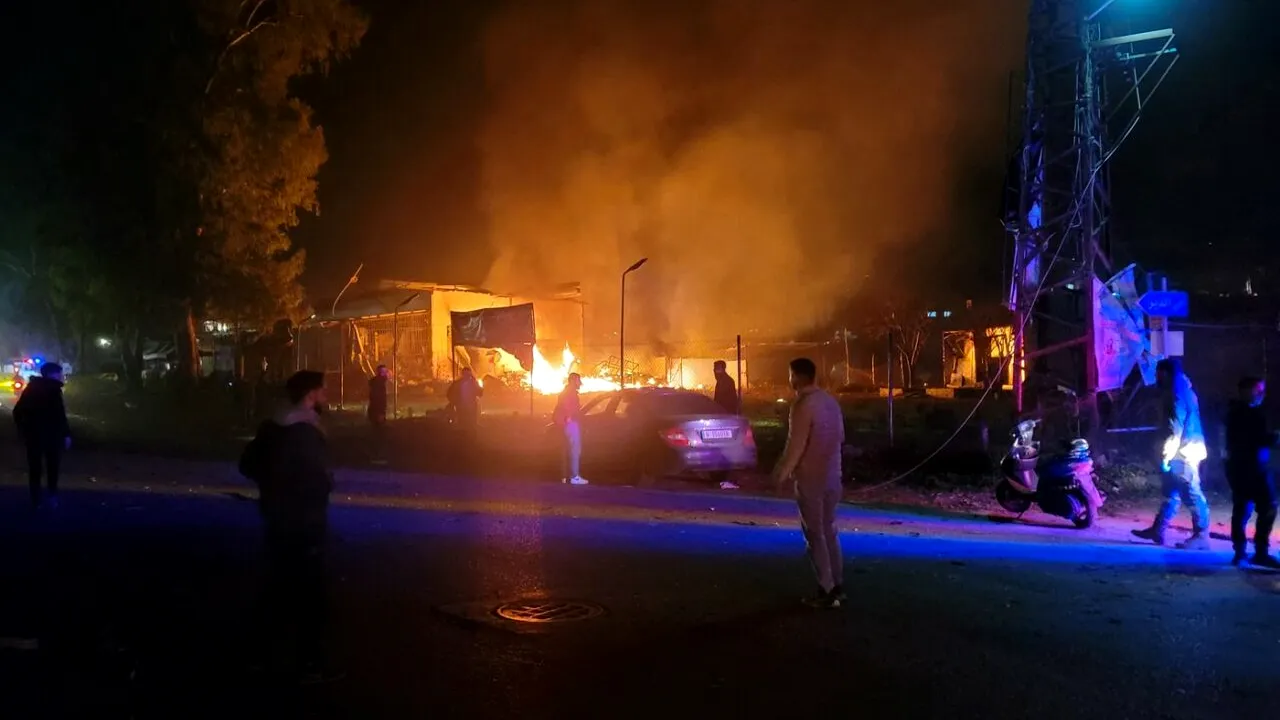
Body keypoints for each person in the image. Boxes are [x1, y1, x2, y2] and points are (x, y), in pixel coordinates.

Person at [239, 370, 338, 683]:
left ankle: (258, 657)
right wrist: (320, 488)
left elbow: (247, 465)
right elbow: (316, 479)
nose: (326, 395)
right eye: (322, 389)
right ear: (311, 394)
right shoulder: (306, 432)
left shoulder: (273, 426)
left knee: (277, 587)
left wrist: (271, 489)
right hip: (304, 522)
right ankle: (309, 663)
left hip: (277, 518)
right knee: (310, 594)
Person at [773, 357, 846, 608]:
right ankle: (837, 585)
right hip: (833, 476)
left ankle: (826, 589)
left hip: (811, 479)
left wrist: (781, 475)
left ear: (798, 377)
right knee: (829, 530)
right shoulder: (831, 402)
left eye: (790, 374)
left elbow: (795, 446)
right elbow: (840, 437)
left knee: (815, 534)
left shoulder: (802, 405)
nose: (789, 379)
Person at [1132, 359, 1211, 549]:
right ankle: (1158, 529)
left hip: (1183, 452)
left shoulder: (1176, 394)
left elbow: (1174, 428)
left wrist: (1166, 455)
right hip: (1184, 449)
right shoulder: (1182, 390)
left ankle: (1201, 535)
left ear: (1166, 374)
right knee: (1171, 491)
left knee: (1191, 493)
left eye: (1158, 374)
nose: (1156, 378)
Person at [1223, 376, 1279, 567]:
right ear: (1246, 391)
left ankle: (1242, 552)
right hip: (1252, 468)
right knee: (1265, 506)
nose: (1262, 393)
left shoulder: (1237, 412)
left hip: (1243, 467)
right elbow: (1256, 439)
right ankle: (1258, 552)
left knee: (1243, 509)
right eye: (1258, 389)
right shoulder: (1246, 414)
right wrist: (1274, 438)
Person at [14, 362, 71, 510]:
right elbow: (60, 415)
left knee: (35, 468)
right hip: (52, 436)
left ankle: (36, 499)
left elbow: (18, 411)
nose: (61, 376)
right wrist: (66, 434)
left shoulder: (31, 389)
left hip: (34, 436)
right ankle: (52, 496)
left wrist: (23, 430)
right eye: (59, 373)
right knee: (52, 467)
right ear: (52, 374)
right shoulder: (54, 391)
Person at [554, 373, 589, 485]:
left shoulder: (565, 392)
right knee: (575, 450)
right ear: (573, 381)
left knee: (566, 451)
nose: (580, 383)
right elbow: (568, 407)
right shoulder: (570, 393)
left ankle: (565, 477)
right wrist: (569, 418)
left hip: (565, 424)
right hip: (571, 424)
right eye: (578, 381)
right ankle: (574, 477)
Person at [711, 360, 740, 490]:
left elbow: (727, 402)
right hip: (722, 418)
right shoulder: (722, 381)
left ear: (723, 369)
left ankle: (726, 474)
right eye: (714, 369)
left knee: (725, 446)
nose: (715, 372)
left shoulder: (726, 382)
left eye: (717, 369)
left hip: (725, 419)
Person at [448, 367, 484, 440]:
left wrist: (454, 402)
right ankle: (466, 439)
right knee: (466, 423)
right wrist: (454, 402)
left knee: (468, 424)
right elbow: (450, 394)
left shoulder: (470, 383)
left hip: (468, 407)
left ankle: (468, 439)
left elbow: (480, 393)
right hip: (464, 407)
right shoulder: (461, 383)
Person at [368, 365, 389, 464]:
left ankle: (376, 455)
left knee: (377, 433)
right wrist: (379, 413)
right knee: (379, 435)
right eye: (384, 372)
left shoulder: (379, 383)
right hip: (377, 413)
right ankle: (377, 456)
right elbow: (378, 399)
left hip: (376, 412)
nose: (386, 374)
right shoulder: (378, 384)